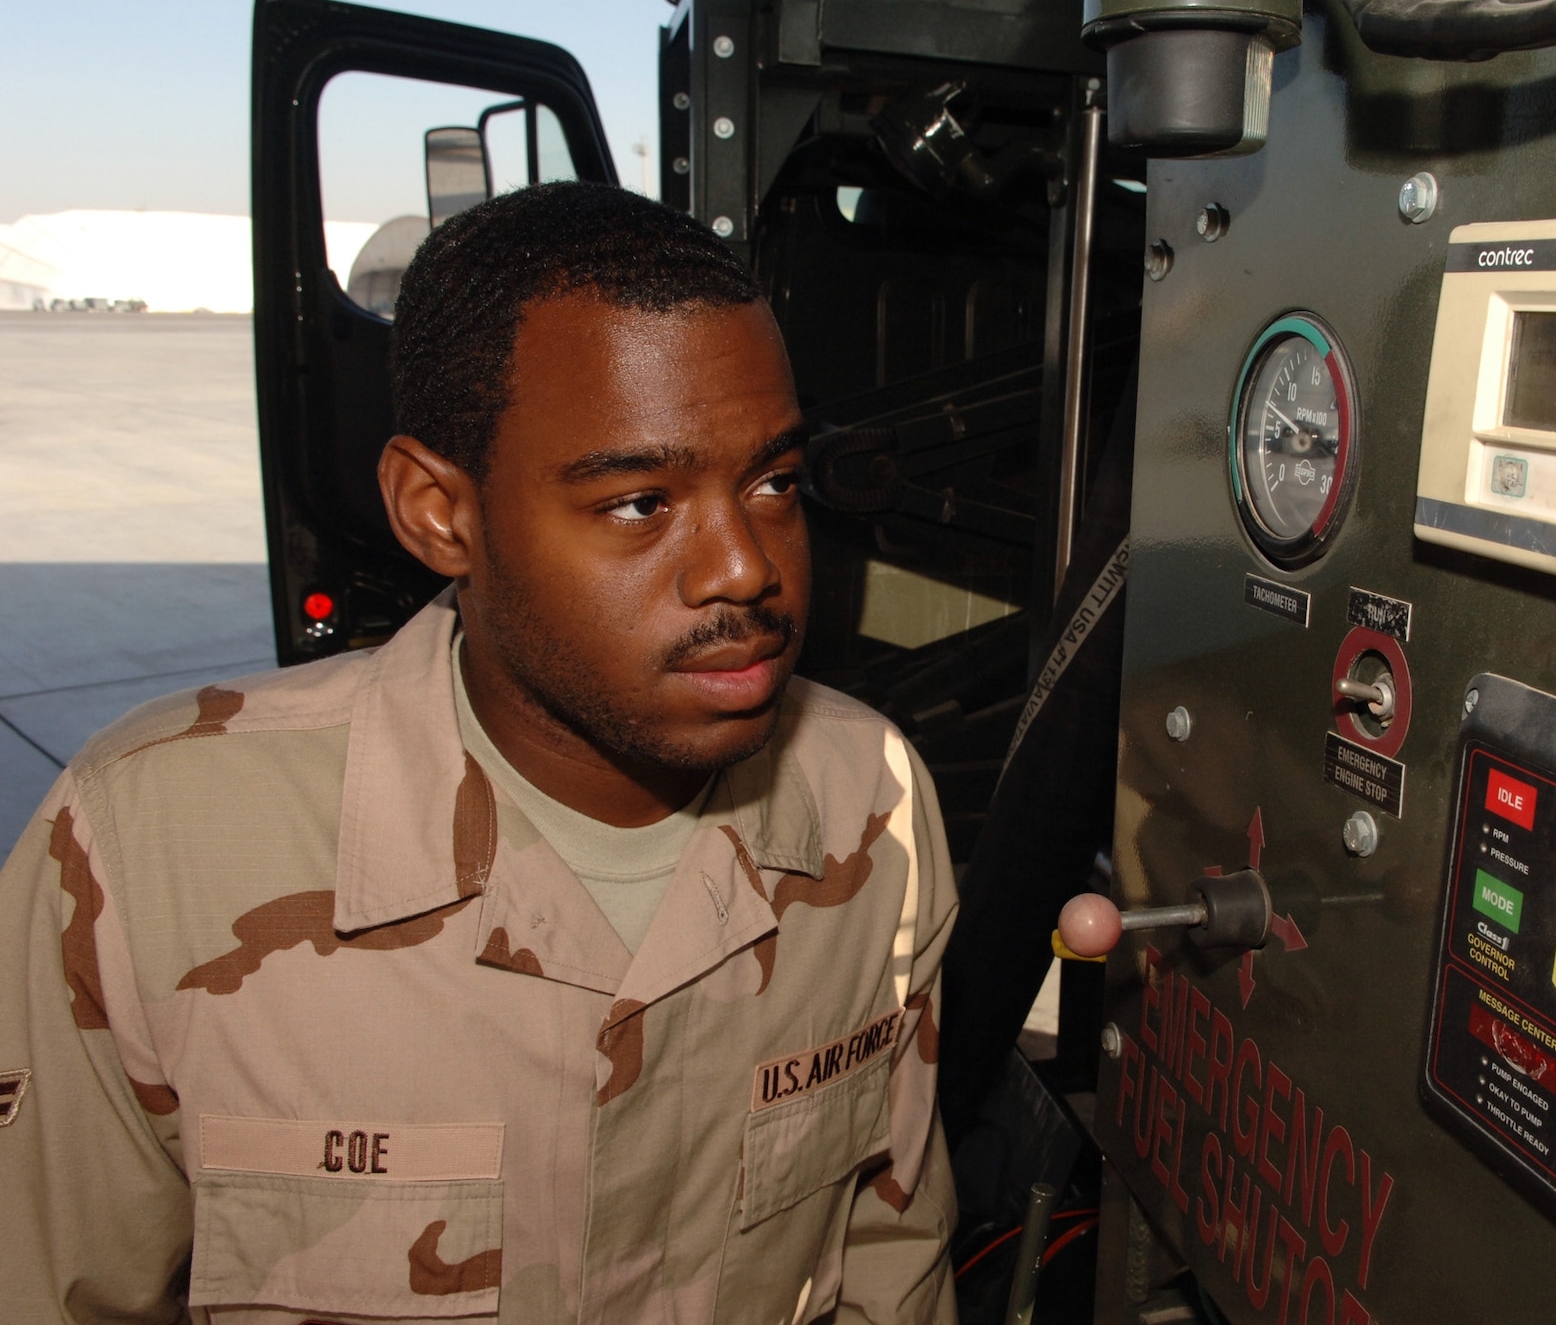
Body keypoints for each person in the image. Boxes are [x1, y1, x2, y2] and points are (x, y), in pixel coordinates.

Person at [0, 181, 959, 1324]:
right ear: (438, 513)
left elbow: (889, 1252)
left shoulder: (872, 798)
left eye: (773, 484)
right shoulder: (146, 851)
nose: (742, 567)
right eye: (641, 502)